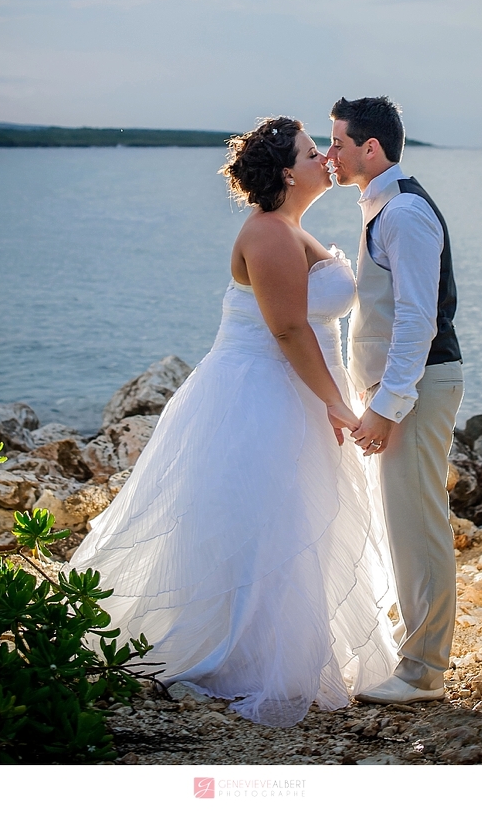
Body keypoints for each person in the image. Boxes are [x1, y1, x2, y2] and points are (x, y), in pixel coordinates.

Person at [70, 117, 398, 727]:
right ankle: (248, 657)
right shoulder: (269, 233)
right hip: (261, 394)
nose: (324, 157)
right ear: (284, 172)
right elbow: (288, 328)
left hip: (293, 388)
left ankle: (292, 642)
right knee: (267, 519)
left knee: (294, 516)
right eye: (309, 151)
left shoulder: (292, 227)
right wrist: (336, 402)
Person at [327, 95, 463, 705]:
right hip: (400, 388)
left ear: (370, 148)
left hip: (416, 387)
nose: (330, 153)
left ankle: (423, 672)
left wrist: (387, 405)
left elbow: (417, 320)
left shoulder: (404, 212)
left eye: (337, 142)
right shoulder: (382, 204)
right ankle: (415, 648)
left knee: (417, 522)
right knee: (403, 519)